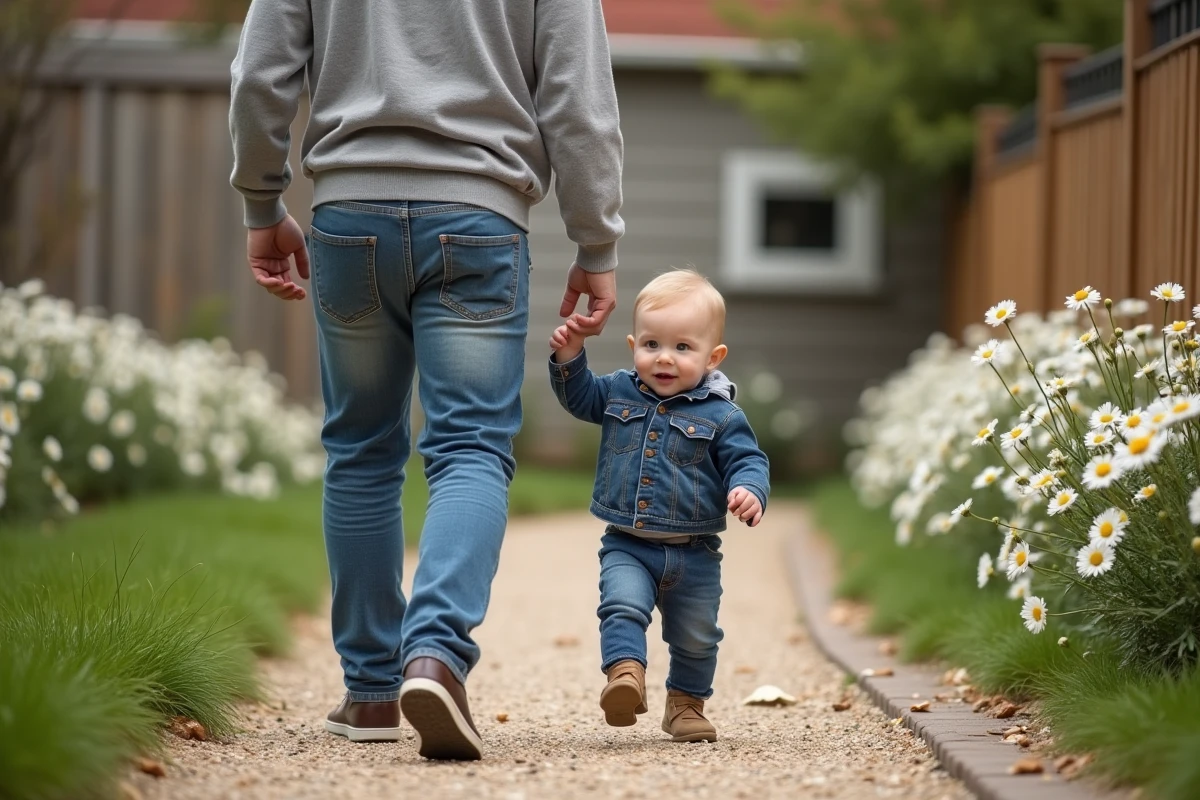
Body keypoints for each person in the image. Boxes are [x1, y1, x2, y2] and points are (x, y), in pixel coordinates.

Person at [228, 0, 624, 761]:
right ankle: (435, 655)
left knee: (362, 449)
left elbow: (261, 70)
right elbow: (579, 97)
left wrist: (261, 200)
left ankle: (372, 689)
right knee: (471, 447)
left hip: (349, 215)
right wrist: (596, 240)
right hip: (480, 216)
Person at [547, 269, 770, 743]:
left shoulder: (722, 415)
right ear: (634, 345)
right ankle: (625, 676)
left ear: (713, 357)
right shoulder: (618, 393)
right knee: (622, 606)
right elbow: (579, 396)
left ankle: (685, 706)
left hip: (695, 554)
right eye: (651, 344)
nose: (664, 358)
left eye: (682, 348)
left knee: (697, 636)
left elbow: (748, 460)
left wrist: (750, 490)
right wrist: (569, 354)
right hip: (628, 543)